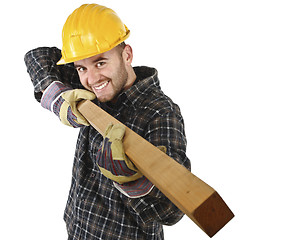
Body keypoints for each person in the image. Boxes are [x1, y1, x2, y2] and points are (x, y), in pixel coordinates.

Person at [24, 3, 191, 240]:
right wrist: (60, 100)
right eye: (81, 67)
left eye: (100, 62)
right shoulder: (96, 90)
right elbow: (36, 57)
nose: (91, 78)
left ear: (127, 55)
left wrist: (132, 179)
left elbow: (174, 209)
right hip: (78, 231)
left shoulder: (159, 112)